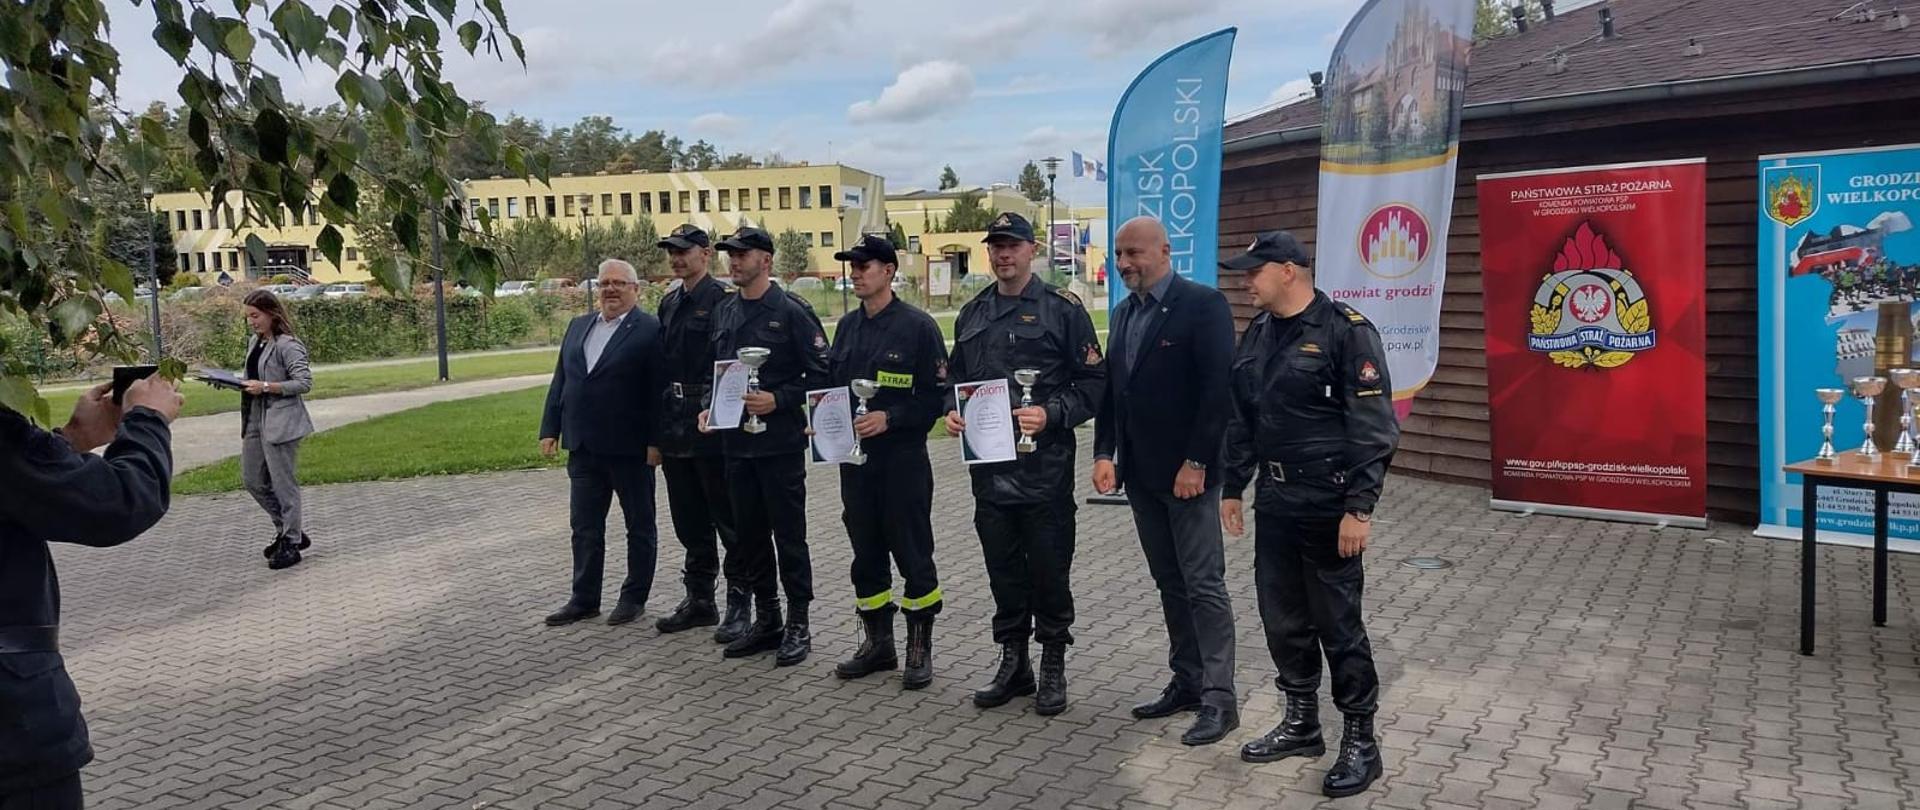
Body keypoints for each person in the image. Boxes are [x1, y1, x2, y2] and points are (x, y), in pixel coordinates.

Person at [1218, 231, 1399, 798]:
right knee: (1283, 620)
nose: (1246, 282)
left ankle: (1361, 741)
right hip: (1276, 502)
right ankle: (1301, 723)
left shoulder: (1347, 331)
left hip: (1328, 504)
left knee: (1338, 626)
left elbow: (1373, 430)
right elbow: (1243, 416)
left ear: (1288, 271)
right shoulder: (1259, 332)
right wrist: (1232, 485)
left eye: (1254, 272)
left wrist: (1359, 509)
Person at [943, 212, 1105, 716]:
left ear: (1032, 249)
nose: (1003, 254)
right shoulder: (972, 313)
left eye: (1012, 245)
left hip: (1044, 474)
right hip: (990, 476)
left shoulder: (1062, 310)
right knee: (1004, 573)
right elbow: (954, 382)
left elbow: (1094, 384)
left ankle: (1053, 662)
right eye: (996, 246)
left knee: (1050, 572)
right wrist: (951, 412)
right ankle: (1014, 663)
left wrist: (1051, 413)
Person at [1, 375, 183, 809]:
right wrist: (149, 420)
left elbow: (20, 486)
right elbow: (119, 502)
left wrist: (71, 439)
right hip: (14, 728)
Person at [1093, 217, 1239, 745]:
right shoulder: (1124, 313)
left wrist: (1197, 462)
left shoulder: (1204, 306)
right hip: (1141, 476)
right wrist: (1104, 452)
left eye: (1134, 252)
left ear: (1164, 250)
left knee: (1203, 585)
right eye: (1119, 254)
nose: (1124, 263)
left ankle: (1220, 700)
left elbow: (1217, 391)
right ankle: (1188, 681)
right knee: (1169, 582)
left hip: (1189, 478)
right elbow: (1114, 392)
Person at [699, 226, 830, 666]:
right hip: (736, 445)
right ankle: (767, 618)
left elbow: (822, 375)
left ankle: (798, 622)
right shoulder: (725, 311)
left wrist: (780, 399)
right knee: (749, 537)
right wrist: (708, 407)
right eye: (730, 254)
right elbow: (716, 370)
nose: (734, 261)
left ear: (766, 261)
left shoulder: (791, 311)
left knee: (789, 538)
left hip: (779, 446)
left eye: (743, 254)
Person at [824, 234, 949, 690]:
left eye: (864, 266)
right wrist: (822, 422)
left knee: (913, 554)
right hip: (856, 465)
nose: (855, 273)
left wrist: (890, 417)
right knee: (866, 554)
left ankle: (919, 649)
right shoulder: (847, 327)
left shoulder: (918, 327)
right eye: (852, 266)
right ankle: (878, 644)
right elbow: (834, 390)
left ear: (889, 271)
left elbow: (935, 399)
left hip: (902, 462)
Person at [539, 259, 668, 627]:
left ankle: (633, 598)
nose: (610, 289)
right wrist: (550, 428)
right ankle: (584, 599)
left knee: (639, 526)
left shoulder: (650, 330)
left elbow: (658, 391)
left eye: (619, 283)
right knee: (584, 528)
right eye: (604, 283)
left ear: (635, 289)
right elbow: (561, 380)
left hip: (630, 448)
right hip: (583, 446)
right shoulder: (578, 326)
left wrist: (656, 442)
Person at [649, 224, 747, 641]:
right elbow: (662, 367)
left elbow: (728, 364)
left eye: (684, 250)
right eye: (671, 251)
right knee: (688, 520)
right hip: (675, 423)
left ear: (705, 254)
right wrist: (655, 433)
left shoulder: (723, 302)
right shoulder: (670, 302)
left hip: (709, 422)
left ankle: (740, 602)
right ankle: (700, 599)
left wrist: (715, 410)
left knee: (728, 520)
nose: (676, 258)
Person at [239, 289, 316, 571]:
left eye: (255, 316)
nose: (251, 322)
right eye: (248, 317)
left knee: (284, 484)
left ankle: (291, 541)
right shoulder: (255, 342)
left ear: (272, 313)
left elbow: (303, 382)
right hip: (255, 419)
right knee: (252, 480)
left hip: (281, 421)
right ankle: (288, 529)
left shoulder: (288, 345)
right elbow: (253, 377)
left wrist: (267, 387)